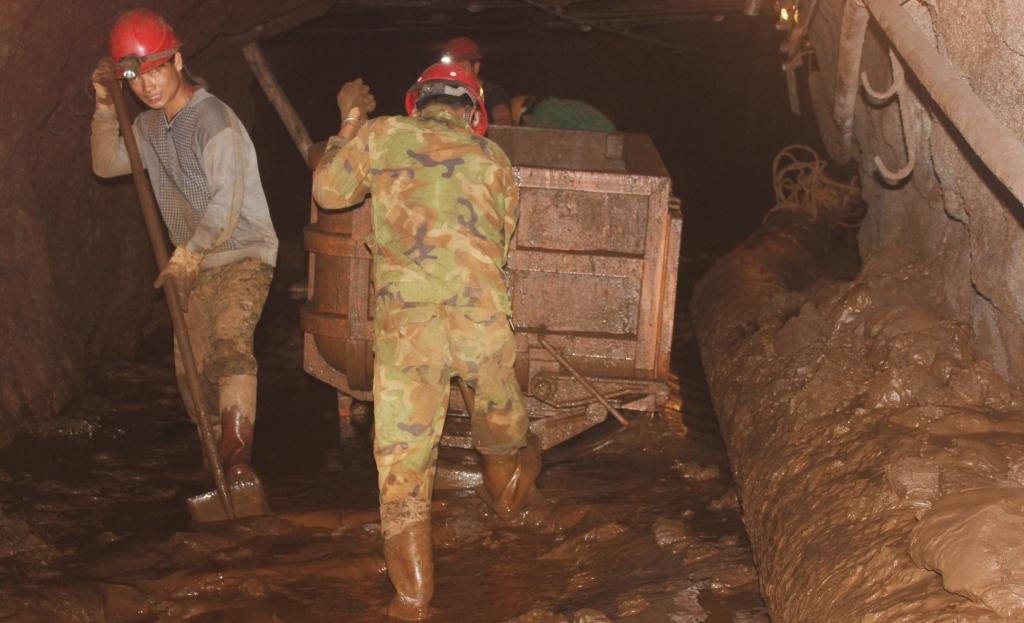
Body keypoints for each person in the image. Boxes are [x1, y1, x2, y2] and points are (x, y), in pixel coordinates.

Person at [312, 64, 541, 620]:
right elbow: (503, 242)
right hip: (481, 324)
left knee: (403, 467)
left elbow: (328, 192)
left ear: (418, 102)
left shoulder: (383, 133)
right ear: (473, 113)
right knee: (502, 434)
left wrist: (349, 120)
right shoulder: (495, 159)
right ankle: (510, 514)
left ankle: (412, 601)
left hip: (408, 330)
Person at [90, 9, 278, 484]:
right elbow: (107, 164)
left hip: (241, 251)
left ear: (177, 60)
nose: (148, 85)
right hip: (190, 261)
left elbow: (225, 204)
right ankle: (218, 474)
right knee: (191, 374)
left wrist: (189, 255)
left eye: (156, 70)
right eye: (135, 78)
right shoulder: (149, 128)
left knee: (229, 345)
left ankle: (238, 464)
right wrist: (106, 107)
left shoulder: (213, 119)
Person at [441, 36, 513, 126]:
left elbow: (503, 122)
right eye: (452, 68)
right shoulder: (444, 93)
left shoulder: (493, 92)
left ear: (476, 67)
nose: (457, 72)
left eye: (462, 67)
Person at [510, 93, 617, 133]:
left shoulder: (543, 114)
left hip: (600, 135)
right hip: (605, 133)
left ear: (525, 118)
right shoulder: (548, 108)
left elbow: (537, 141)